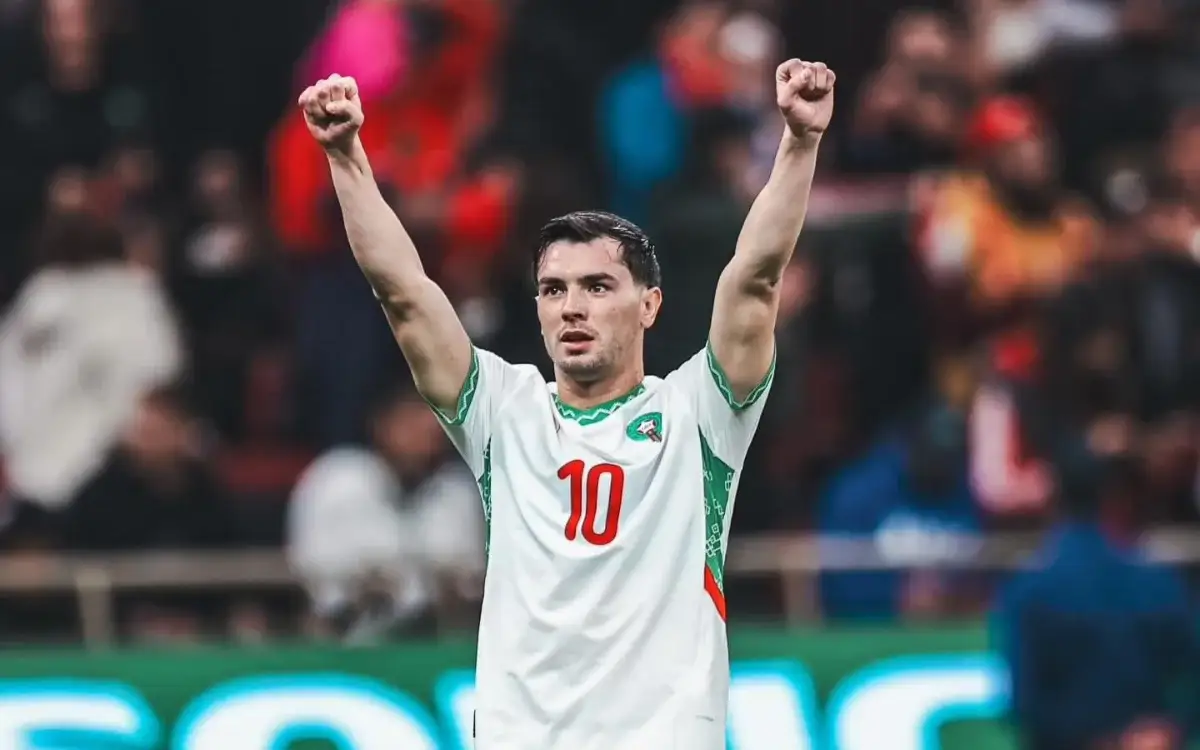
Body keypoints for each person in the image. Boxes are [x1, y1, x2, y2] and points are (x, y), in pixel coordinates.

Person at [297, 57, 835, 749]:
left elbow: (756, 278)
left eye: (597, 286)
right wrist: (346, 156)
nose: (572, 307)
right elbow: (403, 292)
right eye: (555, 290)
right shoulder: (504, 412)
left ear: (650, 305)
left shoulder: (699, 414)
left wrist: (799, 142)